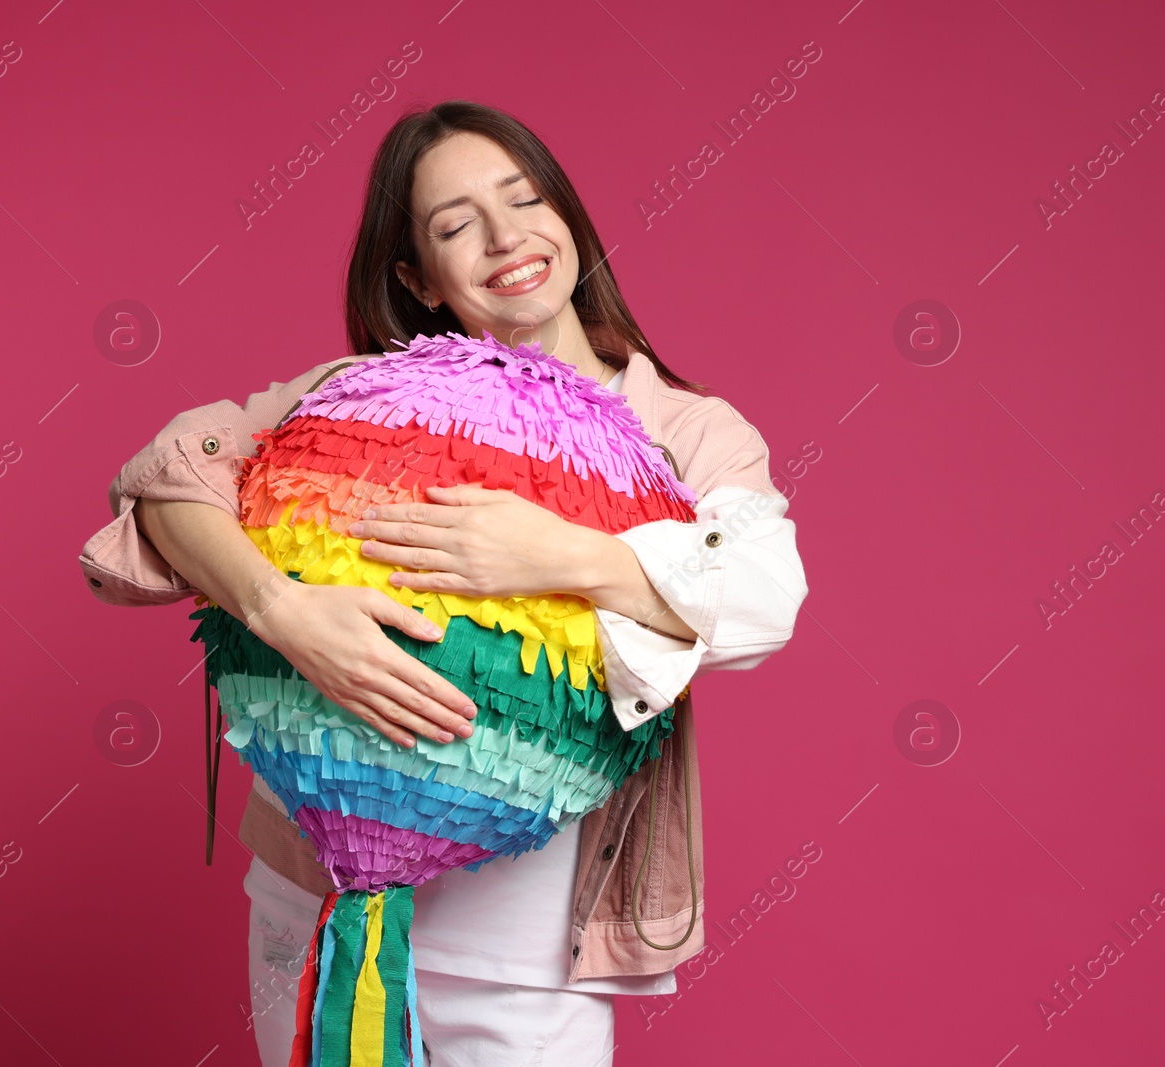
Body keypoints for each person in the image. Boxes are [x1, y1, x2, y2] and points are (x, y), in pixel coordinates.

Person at [78, 100, 808, 1066]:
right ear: (417, 278)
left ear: (571, 220)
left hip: (532, 938)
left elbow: (763, 599)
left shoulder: (688, 434)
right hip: (316, 899)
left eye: (525, 199)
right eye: (457, 224)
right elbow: (169, 482)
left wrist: (554, 554)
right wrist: (282, 609)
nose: (507, 239)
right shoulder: (358, 399)